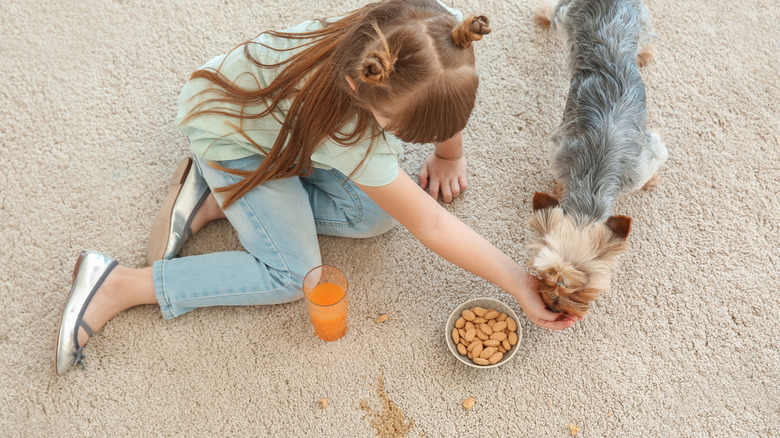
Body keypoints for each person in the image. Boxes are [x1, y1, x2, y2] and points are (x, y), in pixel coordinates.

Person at [56, 0, 579, 376]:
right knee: (294, 275)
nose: (403, 142)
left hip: (279, 134)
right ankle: (120, 283)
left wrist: (450, 152)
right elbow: (432, 222)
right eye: (400, 132)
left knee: (377, 214)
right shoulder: (347, 132)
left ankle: (227, 201)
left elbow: (444, 101)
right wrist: (516, 280)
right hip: (231, 140)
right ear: (362, 90)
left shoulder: (431, 31)